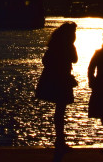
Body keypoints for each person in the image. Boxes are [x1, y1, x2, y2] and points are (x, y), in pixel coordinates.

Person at [35, 21, 78, 151]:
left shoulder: (54, 46)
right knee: (60, 110)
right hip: (63, 80)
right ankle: (60, 140)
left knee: (59, 111)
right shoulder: (68, 46)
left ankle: (59, 139)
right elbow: (75, 59)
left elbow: (45, 61)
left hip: (54, 79)